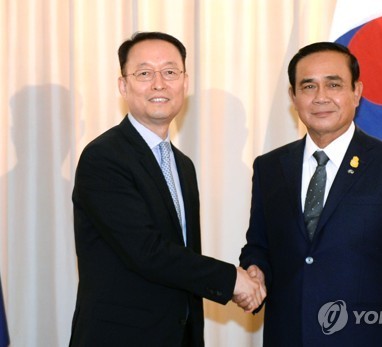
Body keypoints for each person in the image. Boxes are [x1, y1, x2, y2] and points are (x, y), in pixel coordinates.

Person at [69, 31, 265, 347]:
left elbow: (183, 256)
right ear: (123, 85)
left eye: (170, 72)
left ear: (184, 83)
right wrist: (232, 281)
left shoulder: (182, 165)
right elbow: (146, 251)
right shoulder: (104, 157)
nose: (159, 83)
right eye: (145, 73)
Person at [236, 42, 382, 346]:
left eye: (334, 84)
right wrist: (255, 269)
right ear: (293, 97)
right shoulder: (270, 168)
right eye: (308, 86)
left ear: (356, 91)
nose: (321, 97)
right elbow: (259, 245)